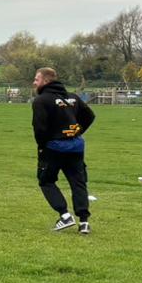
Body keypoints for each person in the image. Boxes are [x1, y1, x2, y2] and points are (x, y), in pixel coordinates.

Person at [31, 66, 95, 234]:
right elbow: (90, 116)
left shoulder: (41, 101)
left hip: (54, 148)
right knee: (78, 182)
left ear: (45, 81)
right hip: (76, 147)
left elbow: (39, 128)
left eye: (36, 79)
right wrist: (76, 132)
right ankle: (84, 222)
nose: (34, 82)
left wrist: (42, 146)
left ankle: (65, 216)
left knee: (46, 181)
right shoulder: (72, 97)